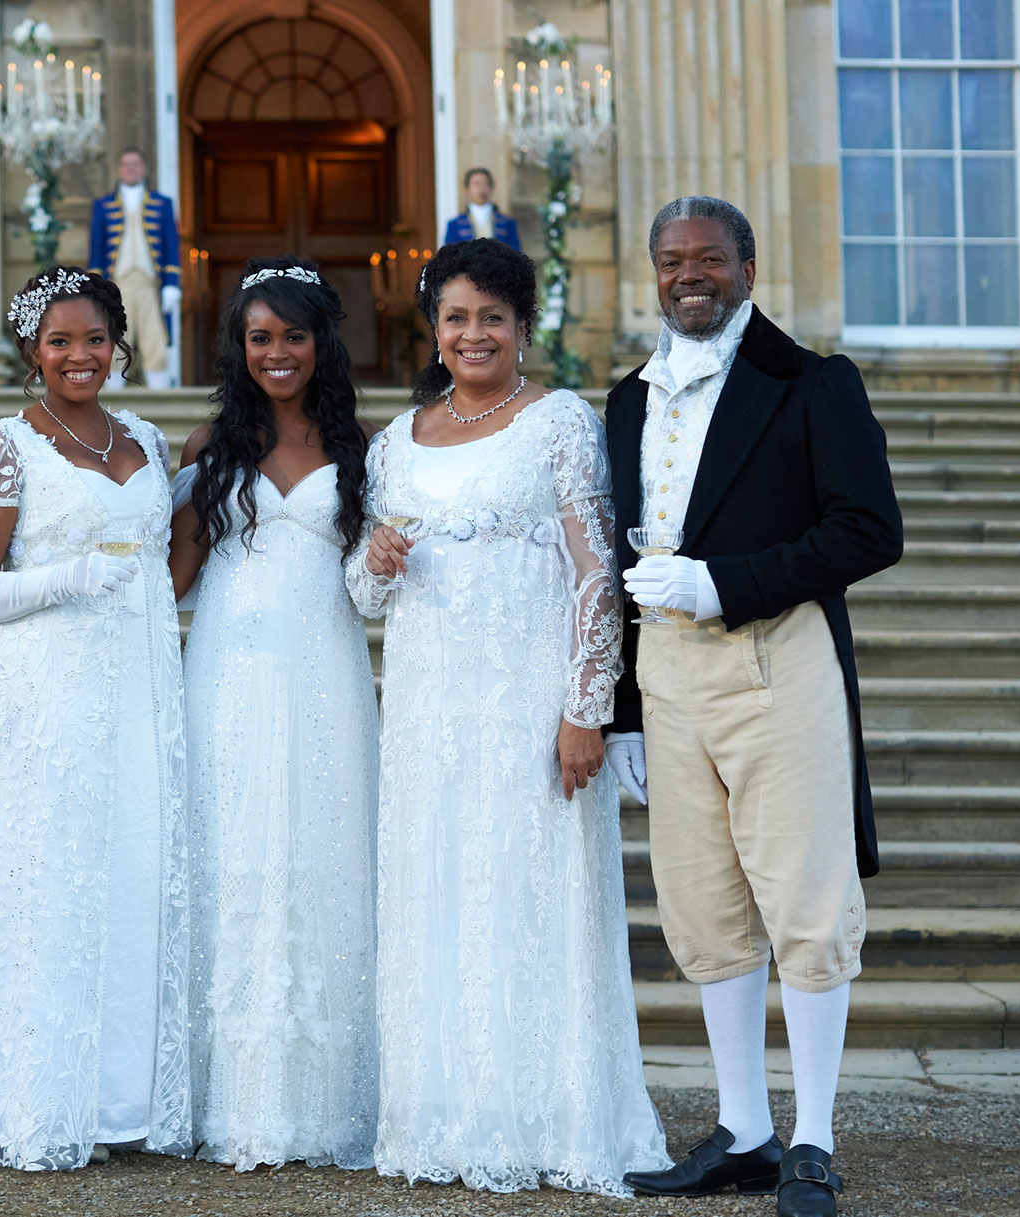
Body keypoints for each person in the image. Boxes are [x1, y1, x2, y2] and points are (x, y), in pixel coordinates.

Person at [348, 237, 668, 1196]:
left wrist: (587, 708)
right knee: (437, 896)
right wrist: (375, 561)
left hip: (528, 705)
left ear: (523, 326)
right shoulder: (392, 443)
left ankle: (555, 1114)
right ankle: (446, 1117)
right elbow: (359, 599)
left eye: (492, 317)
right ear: (432, 329)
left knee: (538, 896)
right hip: (424, 712)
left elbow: (596, 574)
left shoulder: (558, 422)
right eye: (455, 317)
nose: (473, 333)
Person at [606, 196, 903, 1217]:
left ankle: (811, 1138)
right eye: (671, 260)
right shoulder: (625, 400)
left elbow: (868, 531)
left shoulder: (811, 382)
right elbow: (613, 562)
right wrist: (621, 711)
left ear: (747, 264)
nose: (690, 274)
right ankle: (741, 1128)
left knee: (806, 901)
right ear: (652, 272)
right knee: (701, 903)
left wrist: (723, 581)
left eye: (709, 258)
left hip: (776, 655)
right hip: (665, 673)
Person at [0, 266, 191, 1169]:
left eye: (94, 339)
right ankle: (42, 1102)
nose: (79, 355)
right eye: (59, 341)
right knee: (50, 883)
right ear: (30, 351)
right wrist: (65, 580)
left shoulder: (149, 439)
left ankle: (125, 1099)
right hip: (42, 694)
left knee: (131, 874)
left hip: (140, 685)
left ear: (118, 343)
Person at [168, 257, 378, 1171]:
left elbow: (372, 583)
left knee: (322, 855)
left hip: (324, 668)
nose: (277, 352)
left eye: (293, 335)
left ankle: (324, 1099)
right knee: (232, 855)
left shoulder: (364, 449)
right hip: (223, 672)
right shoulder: (205, 448)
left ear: (320, 341)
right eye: (260, 337)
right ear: (238, 348)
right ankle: (227, 1094)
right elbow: (170, 580)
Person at [88, 148, 183, 389]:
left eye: (136, 164)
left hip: (150, 282)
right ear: (119, 170)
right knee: (117, 337)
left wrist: (172, 284)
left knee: (155, 339)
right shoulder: (103, 205)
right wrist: (97, 287)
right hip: (118, 283)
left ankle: (159, 392)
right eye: (126, 165)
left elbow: (172, 245)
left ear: (144, 169)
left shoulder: (162, 204)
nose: (131, 169)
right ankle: (113, 394)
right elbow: (96, 249)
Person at [441, 168, 521, 251]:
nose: (481, 188)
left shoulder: (507, 223)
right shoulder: (455, 224)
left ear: (491, 187)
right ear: (467, 189)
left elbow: (516, 254)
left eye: (485, 184)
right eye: (476, 184)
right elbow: (449, 257)